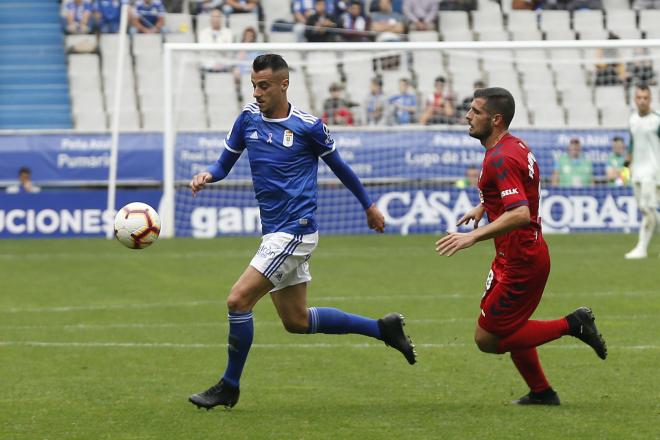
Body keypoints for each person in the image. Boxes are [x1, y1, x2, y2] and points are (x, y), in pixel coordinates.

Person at [187, 54, 417, 410]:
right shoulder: (247, 119)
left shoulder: (309, 127)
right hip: (274, 232)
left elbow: (341, 168)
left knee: (237, 301)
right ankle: (382, 329)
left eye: (264, 85)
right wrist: (209, 175)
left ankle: (229, 386)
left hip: (297, 229)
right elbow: (224, 163)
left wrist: (369, 206)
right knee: (296, 321)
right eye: (253, 85)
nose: (257, 92)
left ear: (283, 84)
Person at [436, 87, 607, 406]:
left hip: (522, 263)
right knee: (510, 327)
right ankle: (542, 392)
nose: (468, 117)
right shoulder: (512, 147)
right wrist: (484, 206)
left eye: (475, 111)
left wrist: (473, 236)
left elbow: (520, 213)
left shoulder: (501, 157)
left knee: (486, 338)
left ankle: (572, 324)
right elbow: (513, 193)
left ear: (496, 119)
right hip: (511, 258)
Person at [624, 84, 660, 259]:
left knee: (647, 208)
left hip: (653, 172)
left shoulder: (657, 120)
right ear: (635, 99)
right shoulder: (632, 119)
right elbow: (632, 143)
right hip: (636, 171)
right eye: (639, 98)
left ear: (650, 99)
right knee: (647, 210)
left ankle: (641, 248)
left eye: (646, 98)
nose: (642, 101)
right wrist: (626, 165)